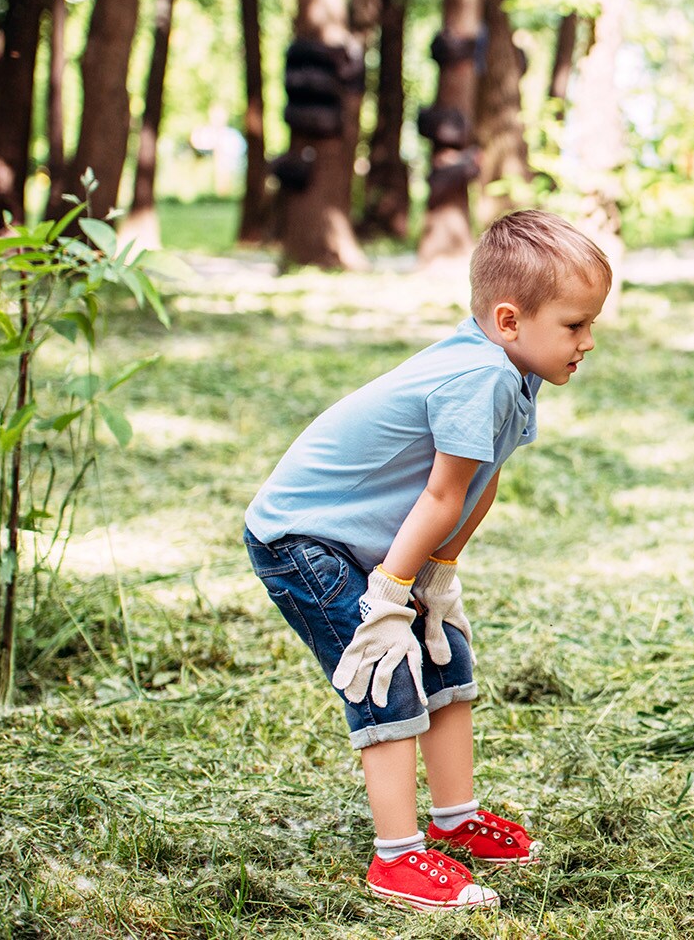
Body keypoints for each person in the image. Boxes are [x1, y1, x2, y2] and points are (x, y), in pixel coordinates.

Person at [243, 211, 613, 911]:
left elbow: (483, 478)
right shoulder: (481, 377)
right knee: (386, 673)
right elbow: (442, 494)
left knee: (446, 655)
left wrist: (438, 577)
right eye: (574, 325)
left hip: (377, 544)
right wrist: (389, 599)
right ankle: (397, 860)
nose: (588, 342)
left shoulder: (514, 373)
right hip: (303, 540)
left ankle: (455, 818)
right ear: (510, 320)